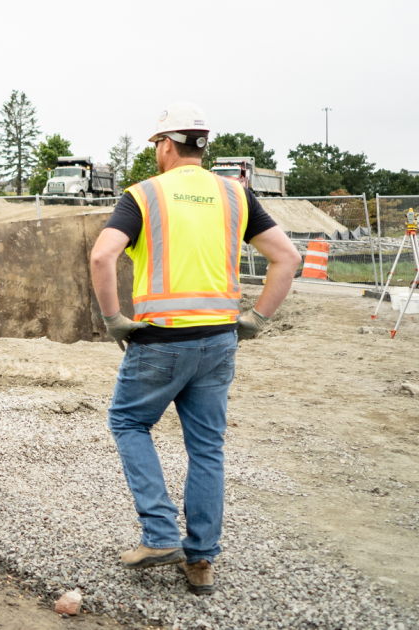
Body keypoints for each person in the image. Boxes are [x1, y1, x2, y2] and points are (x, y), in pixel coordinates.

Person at [89, 103, 301, 594]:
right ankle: (200, 559)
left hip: (161, 340)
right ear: (201, 145)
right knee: (207, 448)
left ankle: (161, 533)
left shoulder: (143, 195)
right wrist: (256, 320)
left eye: (156, 147)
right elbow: (287, 258)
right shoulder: (235, 195)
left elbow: (103, 254)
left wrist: (114, 320)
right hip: (220, 339)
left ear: (165, 144)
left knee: (128, 421)